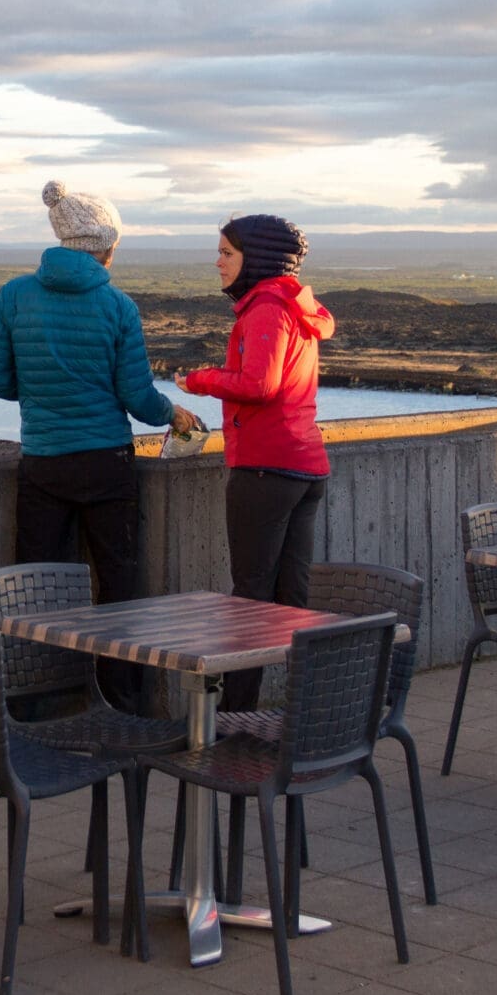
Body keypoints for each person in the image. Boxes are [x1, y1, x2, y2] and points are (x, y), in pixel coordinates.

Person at [0, 180, 198, 713]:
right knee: (118, 585)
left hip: (44, 463)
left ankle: (35, 706)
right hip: (107, 464)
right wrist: (175, 413)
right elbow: (136, 396)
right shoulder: (118, 305)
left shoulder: (14, 295)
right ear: (104, 246)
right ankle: (120, 704)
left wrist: (36, 392)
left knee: (35, 586)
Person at [178, 215, 333, 713]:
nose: (218, 262)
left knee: (250, 599)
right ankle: (306, 714)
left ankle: (235, 718)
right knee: (292, 599)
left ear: (257, 258)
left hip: (266, 468)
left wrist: (199, 380)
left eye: (226, 253)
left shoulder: (266, 308)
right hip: (305, 466)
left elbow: (259, 385)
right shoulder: (294, 306)